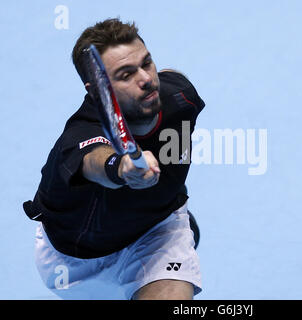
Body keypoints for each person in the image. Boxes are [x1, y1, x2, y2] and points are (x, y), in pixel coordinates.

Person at [22, 18, 205, 300]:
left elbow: (172, 76)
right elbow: (95, 161)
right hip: (78, 265)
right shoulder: (81, 134)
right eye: (126, 74)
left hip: (157, 233)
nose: (146, 79)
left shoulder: (181, 96)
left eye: (146, 63)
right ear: (96, 90)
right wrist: (121, 169)